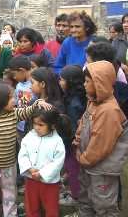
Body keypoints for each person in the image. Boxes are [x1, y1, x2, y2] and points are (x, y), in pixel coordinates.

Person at [0, 81, 51, 217]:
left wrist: (37, 103)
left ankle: (10, 214)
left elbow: (26, 112)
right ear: (0, 101)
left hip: (9, 164)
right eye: (11, 98)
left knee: (10, 192)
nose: (15, 100)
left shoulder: (13, 113)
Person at [74, 61, 126, 217]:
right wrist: (77, 141)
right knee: (86, 198)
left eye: (87, 81)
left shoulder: (109, 110)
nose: (84, 85)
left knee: (104, 205)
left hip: (101, 169)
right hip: (89, 165)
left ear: (99, 83)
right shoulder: (94, 102)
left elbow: (100, 144)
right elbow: (82, 123)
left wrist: (84, 158)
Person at [18, 108, 67, 217]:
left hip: (49, 183)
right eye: (35, 124)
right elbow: (23, 154)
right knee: (31, 207)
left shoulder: (57, 141)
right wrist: (29, 168)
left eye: (41, 125)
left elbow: (57, 162)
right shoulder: (30, 136)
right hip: (31, 179)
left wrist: (42, 173)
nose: (36, 127)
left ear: (52, 125)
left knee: (51, 208)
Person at [59, 65, 86, 203]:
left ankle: (76, 197)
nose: (60, 82)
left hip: (73, 143)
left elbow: (74, 127)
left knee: (72, 167)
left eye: (62, 79)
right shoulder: (77, 96)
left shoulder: (74, 103)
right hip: (74, 141)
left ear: (70, 81)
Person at [8, 56, 35, 136]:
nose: (14, 77)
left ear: (22, 70)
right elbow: (16, 103)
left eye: (14, 74)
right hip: (19, 125)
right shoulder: (19, 85)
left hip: (31, 125)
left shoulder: (34, 85)